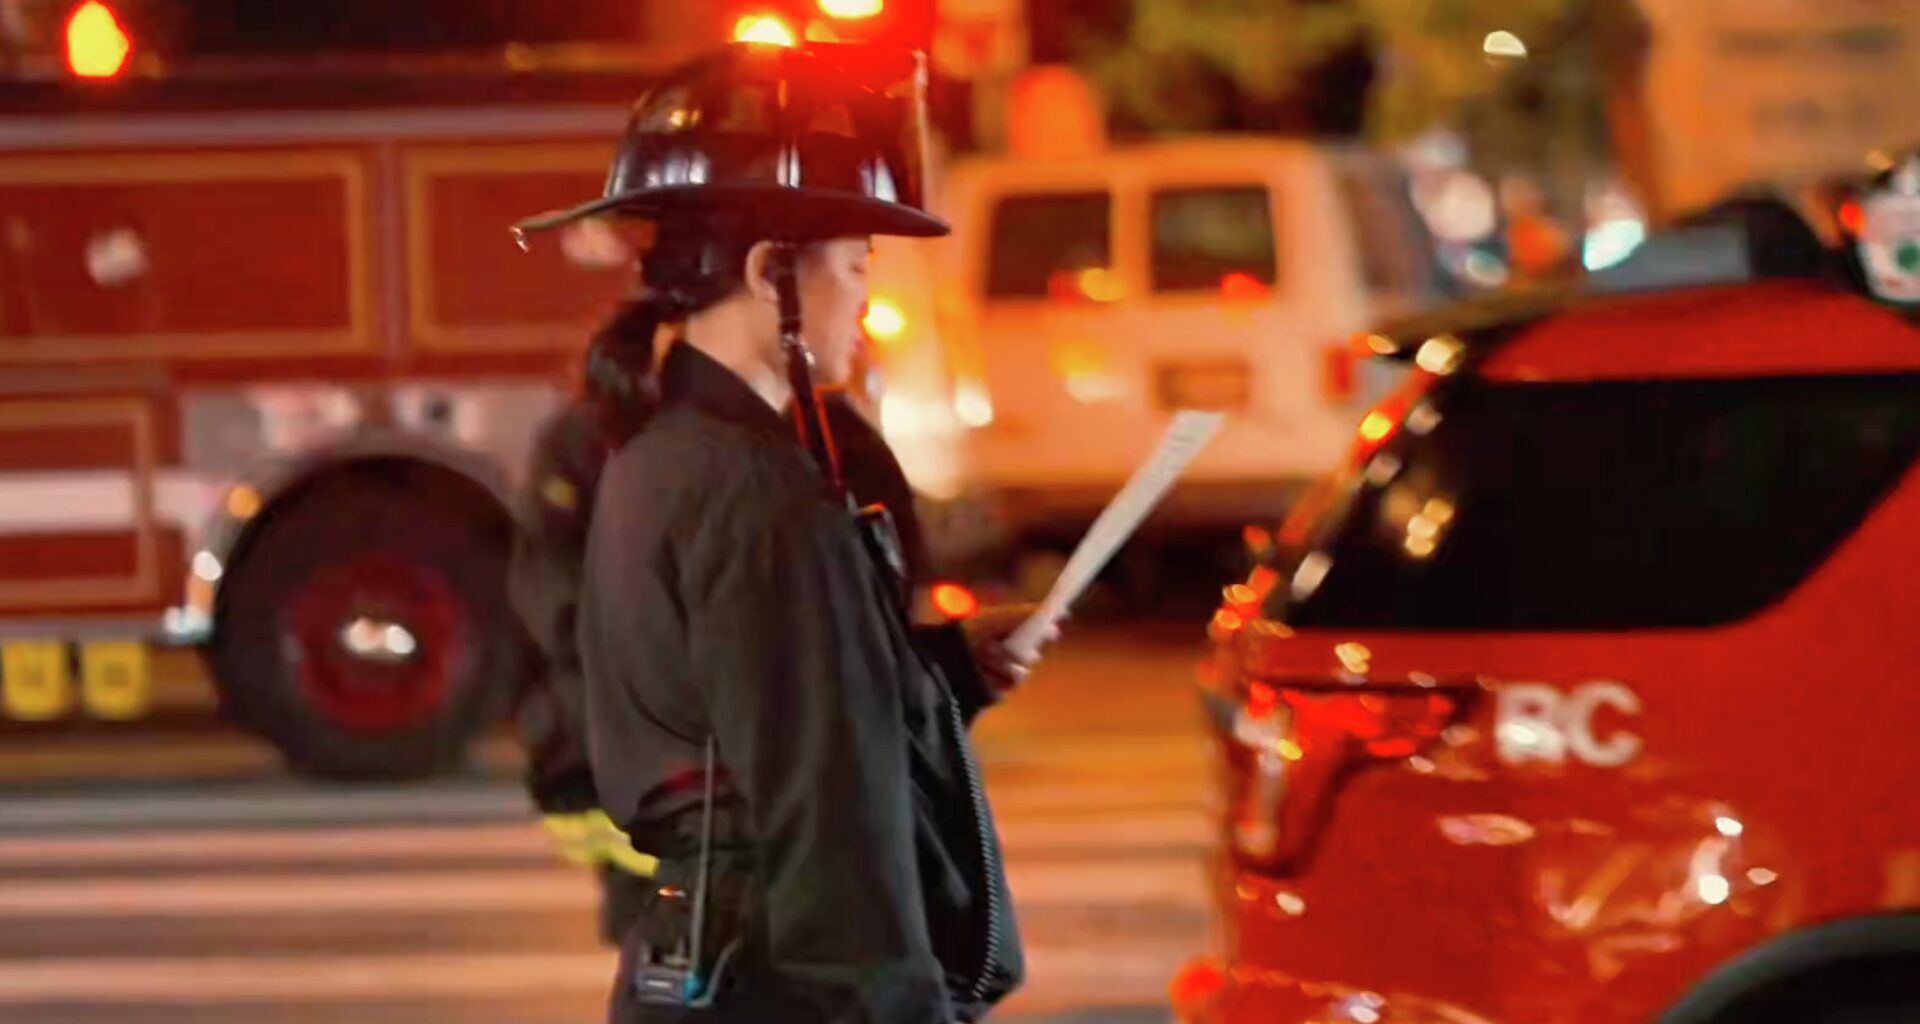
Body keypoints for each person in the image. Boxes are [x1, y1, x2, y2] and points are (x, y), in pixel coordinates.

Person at [512, 42, 1048, 1023]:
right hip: (780, 985)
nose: (866, 298)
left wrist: (943, 671)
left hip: (689, 962)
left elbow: (739, 719)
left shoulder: (657, 457)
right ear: (774, 275)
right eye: (855, 266)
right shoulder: (765, 494)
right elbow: (829, 820)